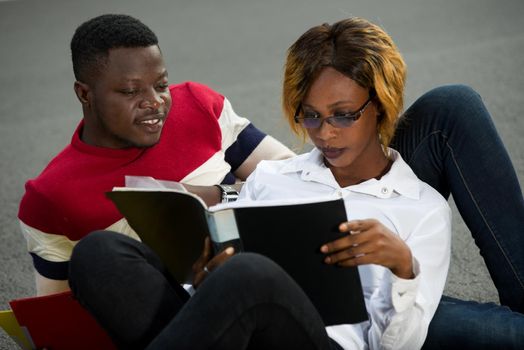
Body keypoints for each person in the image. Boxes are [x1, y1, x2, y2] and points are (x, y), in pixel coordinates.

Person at [69, 16, 451, 349]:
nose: (326, 133)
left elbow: (400, 345)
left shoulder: (422, 209)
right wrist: (203, 283)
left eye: (344, 115)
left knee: (249, 274)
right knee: (98, 252)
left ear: (381, 105)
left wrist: (403, 267)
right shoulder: (271, 177)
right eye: (311, 116)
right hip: (230, 331)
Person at [17, 14, 294, 296]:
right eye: (130, 91)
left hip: (263, 282)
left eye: (161, 85)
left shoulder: (197, 105)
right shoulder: (49, 196)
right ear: (85, 94)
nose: (155, 101)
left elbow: (296, 179)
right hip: (163, 324)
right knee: (99, 250)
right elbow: (56, 315)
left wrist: (218, 195)